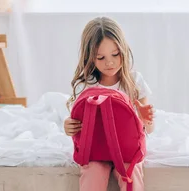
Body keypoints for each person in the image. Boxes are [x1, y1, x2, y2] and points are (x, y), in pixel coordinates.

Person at [63, 16, 154, 191]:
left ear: (124, 50)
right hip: (95, 152)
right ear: (90, 58)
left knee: (132, 174)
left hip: (127, 150)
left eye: (115, 54)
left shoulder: (135, 81)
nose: (110, 62)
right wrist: (68, 126)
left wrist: (145, 119)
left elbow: (148, 130)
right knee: (92, 175)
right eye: (100, 57)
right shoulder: (86, 84)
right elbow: (78, 126)